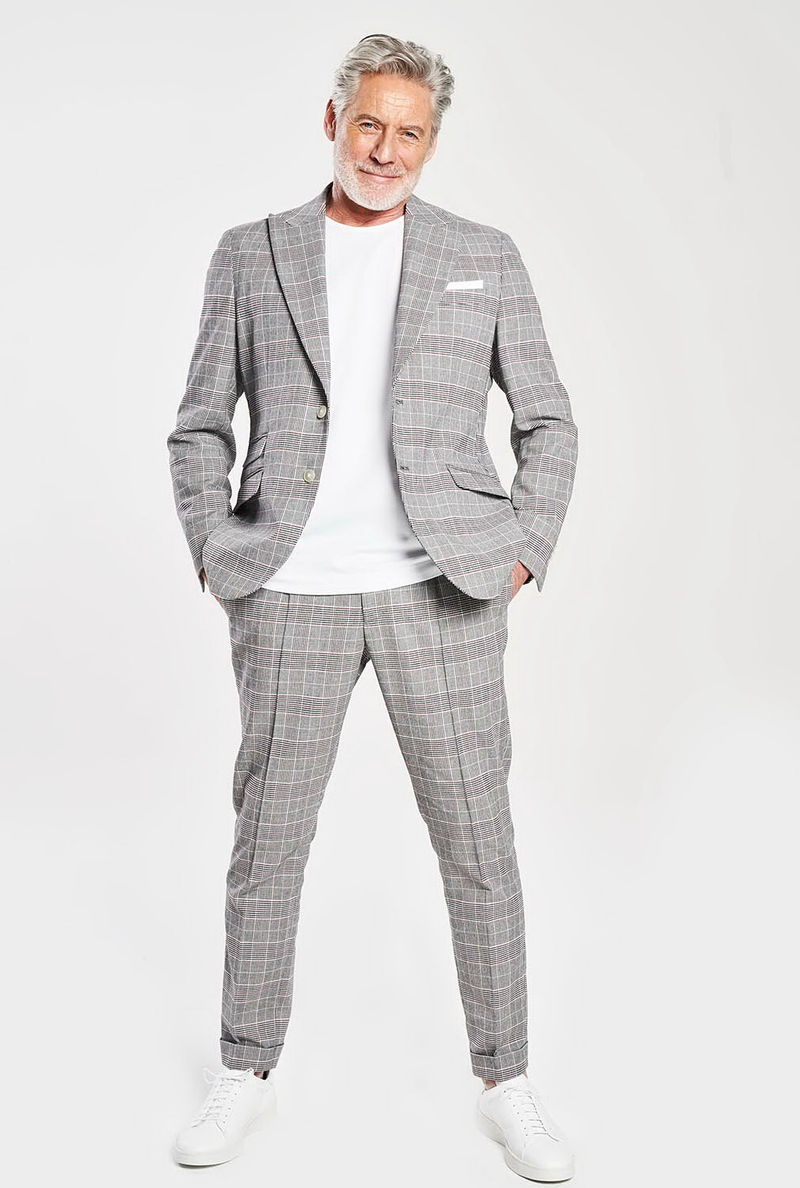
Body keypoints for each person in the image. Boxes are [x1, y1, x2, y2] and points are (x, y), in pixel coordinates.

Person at [167, 32, 578, 1181]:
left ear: (430, 142)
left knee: (478, 844)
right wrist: (214, 548)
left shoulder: (482, 255)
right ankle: (245, 1071)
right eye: (368, 125)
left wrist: (523, 551)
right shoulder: (250, 253)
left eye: (409, 133)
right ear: (331, 121)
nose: (384, 150)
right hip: (289, 591)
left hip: (441, 593)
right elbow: (198, 424)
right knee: (268, 844)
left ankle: (507, 1083)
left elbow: (546, 418)